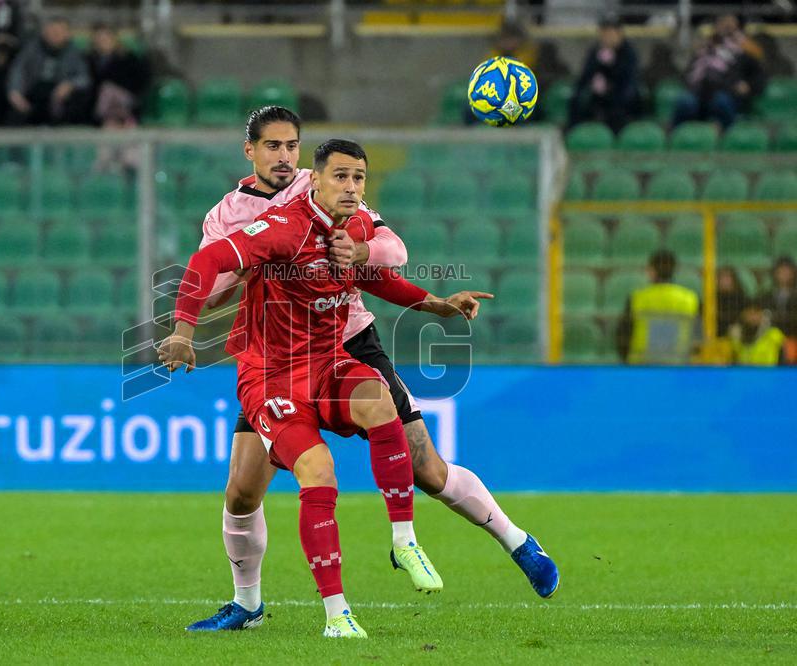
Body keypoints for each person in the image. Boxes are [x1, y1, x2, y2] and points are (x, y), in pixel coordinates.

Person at [171, 107, 559, 634]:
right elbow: (212, 279)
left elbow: (393, 251)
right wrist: (212, 300)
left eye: (291, 146)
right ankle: (247, 605)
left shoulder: (330, 184)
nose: (283, 156)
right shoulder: (228, 216)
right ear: (251, 151)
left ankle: (516, 542)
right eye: (272, 146)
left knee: (427, 469)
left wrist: (359, 252)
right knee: (241, 490)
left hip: (347, 338)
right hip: (274, 353)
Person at [672, 14, 766, 129]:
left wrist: (749, 86)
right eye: (722, 23)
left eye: (730, 25)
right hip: (699, 92)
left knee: (720, 102)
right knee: (685, 102)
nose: (725, 27)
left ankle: (724, 136)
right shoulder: (704, 48)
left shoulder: (744, 50)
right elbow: (688, 73)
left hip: (727, 92)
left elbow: (759, 76)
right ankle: (675, 137)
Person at [617, 250, 700, 364]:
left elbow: (624, 334)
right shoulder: (690, 299)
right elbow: (699, 335)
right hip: (678, 365)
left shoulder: (637, 298)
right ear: (674, 270)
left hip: (642, 365)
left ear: (651, 271)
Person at [6, 17, 91, 126]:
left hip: (58, 98)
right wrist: (15, 91)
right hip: (33, 94)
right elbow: (18, 69)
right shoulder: (32, 48)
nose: (55, 35)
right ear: (44, 32)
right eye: (52, 31)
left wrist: (69, 84)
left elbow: (84, 77)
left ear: (67, 34)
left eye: (59, 32)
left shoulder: (74, 52)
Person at [568, 14, 640, 133]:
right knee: (577, 101)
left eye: (611, 33)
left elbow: (629, 79)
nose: (607, 37)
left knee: (622, 104)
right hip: (597, 97)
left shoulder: (628, 53)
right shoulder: (596, 51)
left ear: (619, 34)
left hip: (619, 95)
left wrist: (611, 67)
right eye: (604, 33)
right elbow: (585, 76)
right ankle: (574, 136)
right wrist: (598, 65)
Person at [88, 24, 152, 126]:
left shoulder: (127, 58)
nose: (103, 42)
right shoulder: (91, 60)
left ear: (114, 39)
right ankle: (119, 120)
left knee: (108, 90)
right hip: (108, 104)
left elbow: (141, 79)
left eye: (106, 38)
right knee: (108, 103)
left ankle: (101, 118)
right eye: (99, 39)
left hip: (127, 98)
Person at [758, 256, 797, 363]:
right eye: (781, 271)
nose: (784, 274)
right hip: (770, 340)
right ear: (775, 273)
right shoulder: (765, 296)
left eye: (787, 271)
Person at [729, 299, 785, 366]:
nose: (753, 318)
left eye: (756, 313)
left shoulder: (774, 335)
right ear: (743, 314)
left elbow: (783, 361)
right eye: (750, 313)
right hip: (743, 374)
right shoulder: (735, 335)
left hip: (768, 374)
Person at [716, 266, 747, 337]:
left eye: (727, 277)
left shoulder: (740, 298)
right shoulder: (712, 298)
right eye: (722, 278)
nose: (724, 281)